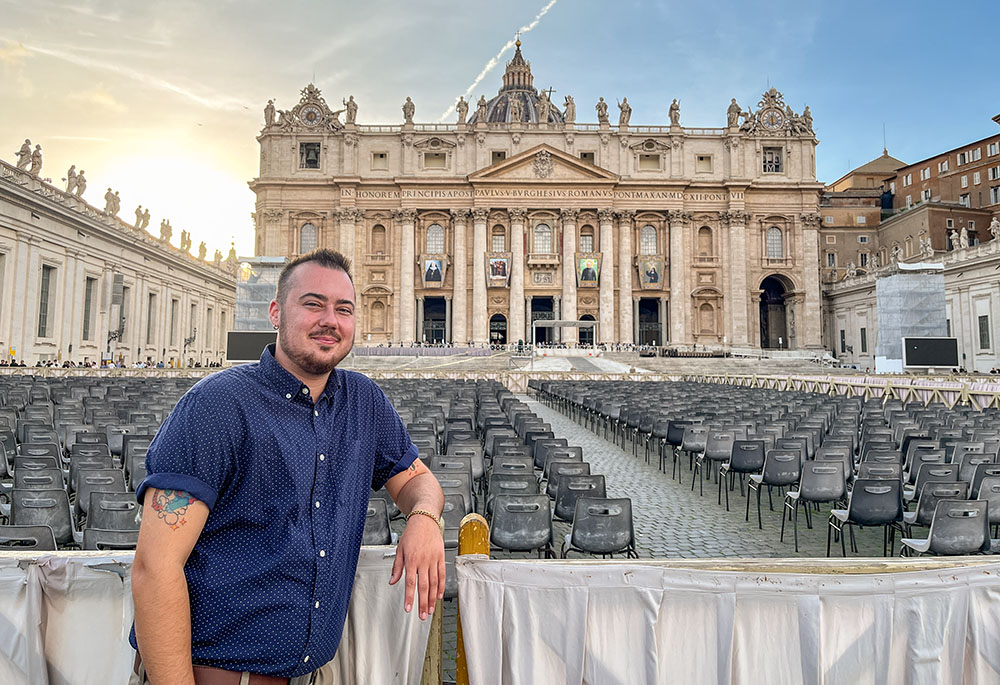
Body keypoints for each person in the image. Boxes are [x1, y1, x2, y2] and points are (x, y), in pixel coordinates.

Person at [130, 248, 445, 683]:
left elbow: (418, 480)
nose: (330, 320)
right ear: (276, 312)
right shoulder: (215, 405)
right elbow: (155, 568)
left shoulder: (364, 402)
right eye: (313, 304)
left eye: (344, 309)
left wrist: (425, 520)